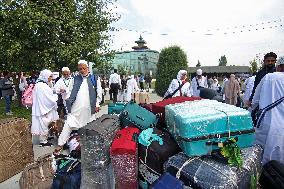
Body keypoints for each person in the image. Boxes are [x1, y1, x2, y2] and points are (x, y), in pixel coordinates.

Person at [56, 60, 102, 152]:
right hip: (76, 108)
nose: (82, 70)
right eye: (80, 69)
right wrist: (68, 101)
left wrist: (97, 104)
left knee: (90, 127)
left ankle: (92, 146)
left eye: (84, 68)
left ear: (87, 68)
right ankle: (60, 144)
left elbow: (99, 93)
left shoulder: (94, 78)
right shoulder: (75, 78)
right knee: (68, 124)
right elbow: (69, 91)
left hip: (89, 109)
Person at [252, 57, 284, 165]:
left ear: (278, 66)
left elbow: (255, 100)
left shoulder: (269, 77)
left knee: (261, 159)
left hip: (266, 124)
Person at [31, 69, 59, 147]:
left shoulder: (40, 84)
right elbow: (48, 98)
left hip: (42, 107)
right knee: (44, 123)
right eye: (50, 76)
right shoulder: (42, 86)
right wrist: (55, 97)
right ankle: (43, 141)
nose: (51, 78)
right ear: (45, 76)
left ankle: (45, 137)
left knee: (45, 123)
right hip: (44, 108)